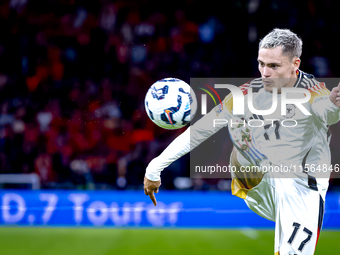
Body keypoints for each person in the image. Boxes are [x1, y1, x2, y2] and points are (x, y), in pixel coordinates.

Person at [143, 28, 340, 254]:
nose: (265, 73)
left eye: (273, 66)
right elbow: (198, 131)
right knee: (239, 121)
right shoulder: (246, 94)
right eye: (261, 64)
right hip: (260, 180)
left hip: (304, 190)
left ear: (295, 64)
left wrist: (334, 104)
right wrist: (154, 168)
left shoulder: (314, 92)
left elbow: (327, 112)